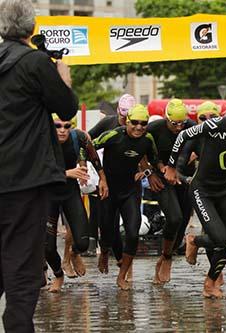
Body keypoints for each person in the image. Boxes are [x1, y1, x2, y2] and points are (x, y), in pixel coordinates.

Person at [0, 0, 78, 330]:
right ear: (32, 29)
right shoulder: (35, 63)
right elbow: (66, 107)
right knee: (23, 267)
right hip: (24, 180)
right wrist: (61, 71)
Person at [165, 88, 226, 298]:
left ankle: (211, 280)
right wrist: (176, 171)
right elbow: (182, 151)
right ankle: (198, 250)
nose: (207, 120)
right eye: (203, 117)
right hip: (204, 190)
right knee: (220, 237)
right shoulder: (204, 131)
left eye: (212, 116)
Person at [93, 104, 160, 290]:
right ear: (127, 122)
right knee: (108, 230)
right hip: (109, 190)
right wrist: (101, 176)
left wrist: (148, 172)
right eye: (135, 123)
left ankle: (122, 275)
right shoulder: (114, 135)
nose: (139, 127)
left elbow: (154, 160)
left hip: (130, 190)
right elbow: (88, 147)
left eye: (143, 123)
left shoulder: (147, 139)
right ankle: (105, 251)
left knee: (132, 232)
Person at [45, 115, 108, 292]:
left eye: (67, 126)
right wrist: (67, 173)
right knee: (48, 247)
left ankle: (73, 254)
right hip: (48, 195)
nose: (62, 130)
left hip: (69, 193)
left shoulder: (78, 137)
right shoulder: (42, 140)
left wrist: (102, 179)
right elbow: (38, 171)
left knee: (82, 243)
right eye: (57, 126)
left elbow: (94, 157)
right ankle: (58, 274)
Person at [147, 99, 195, 285]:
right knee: (174, 217)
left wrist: (192, 159)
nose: (178, 127)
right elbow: (143, 150)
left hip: (184, 177)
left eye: (181, 123)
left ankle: (168, 254)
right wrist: (152, 171)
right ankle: (166, 257)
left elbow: (204, 145)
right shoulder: (156, 128)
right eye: (174, 123)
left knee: (182, 221)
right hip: (162, 178)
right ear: (166, 118)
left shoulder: (191, 127)